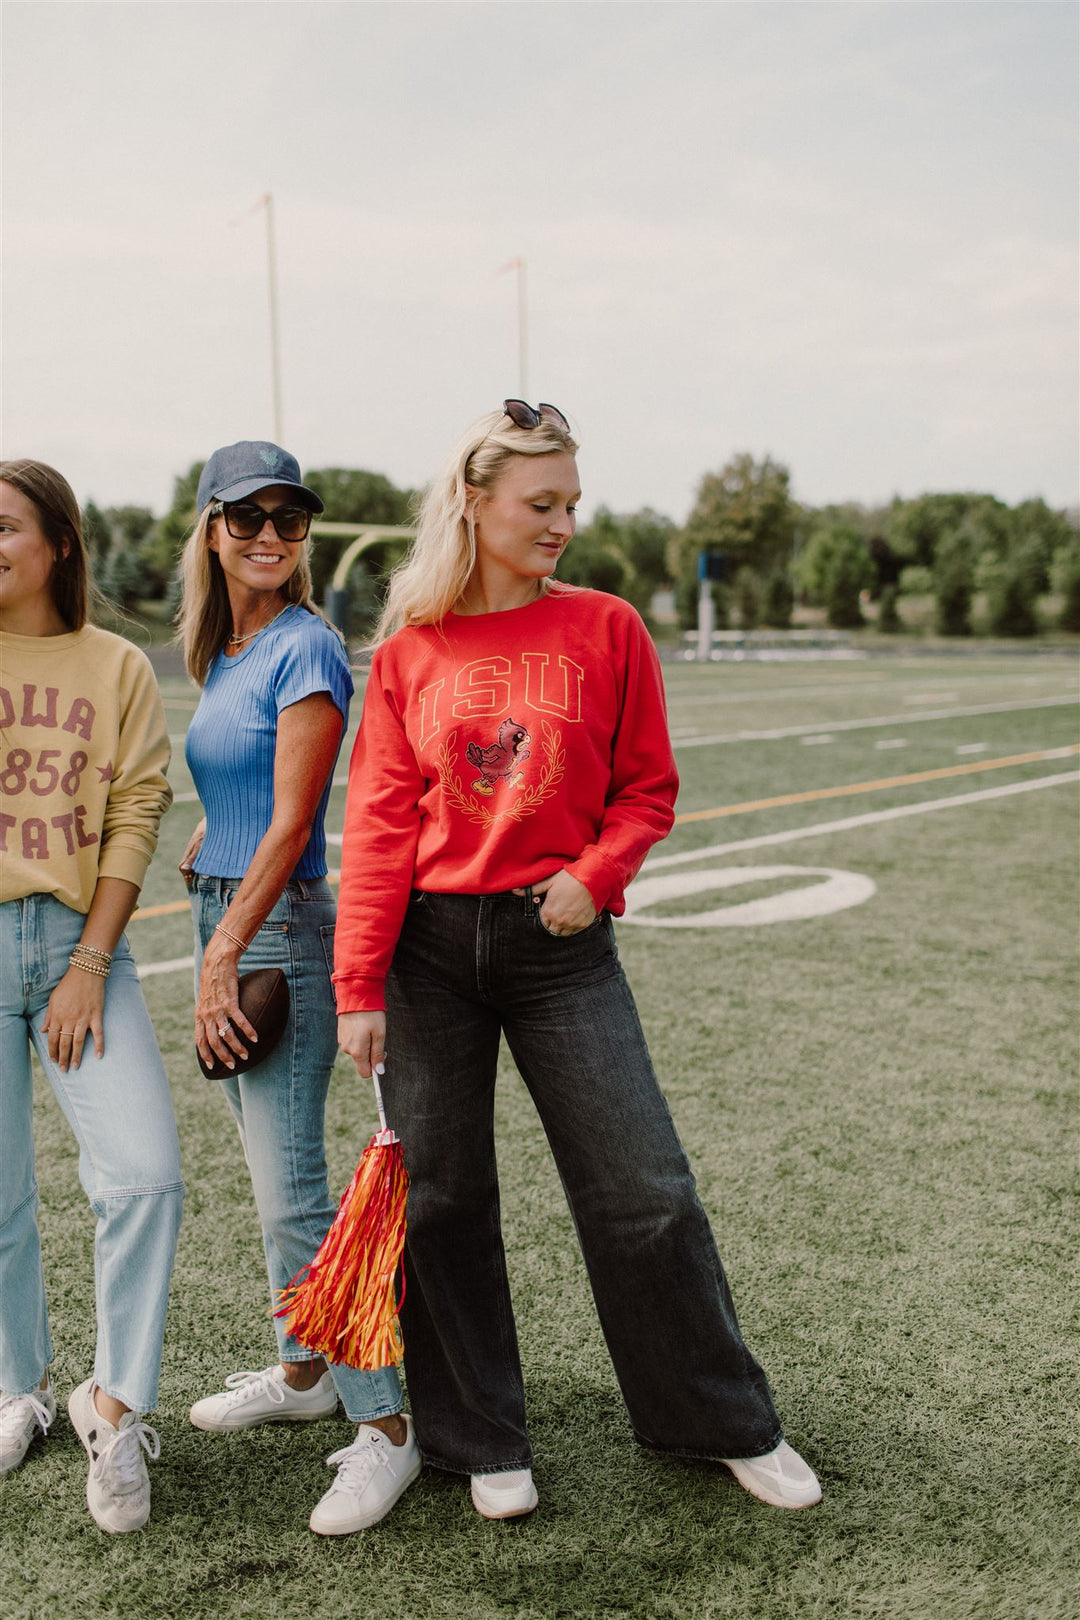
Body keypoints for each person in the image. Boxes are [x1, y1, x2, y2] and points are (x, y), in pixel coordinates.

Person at [333, 402, 822, 1519]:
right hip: (428, 952)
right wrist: (359, 983)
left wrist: (594, 876)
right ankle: (478, 1441)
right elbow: (376, 829)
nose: (561, 524)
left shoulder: (605, 628)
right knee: (444, 1199)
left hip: (562, 946)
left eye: (570, 506)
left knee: (643, 1188)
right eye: (540, 505)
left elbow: (647, 785)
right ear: (476, 503)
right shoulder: (411, 653)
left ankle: (720, 1419)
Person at [176, 441, 419, 1536]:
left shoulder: (309, 648)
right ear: (212, 530)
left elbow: (294, 822)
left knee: (295, 1193)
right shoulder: (228, 647)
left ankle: (387, 1430)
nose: (270, 535)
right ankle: (302, 1370)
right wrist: (204, 851)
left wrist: (225, 945)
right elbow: (239, 789)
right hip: (224, 903)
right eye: (247, 517)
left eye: (290, 517)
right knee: (268, 1171)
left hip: (273, 925)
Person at [0, 460, 183, 1533]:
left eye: (4, 527)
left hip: (77, 944)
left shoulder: (116, 668)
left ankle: (111, 1406)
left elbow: (134, 816)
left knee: (145, 1175)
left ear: (58, 543)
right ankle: (16, 1385)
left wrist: (88, 965)